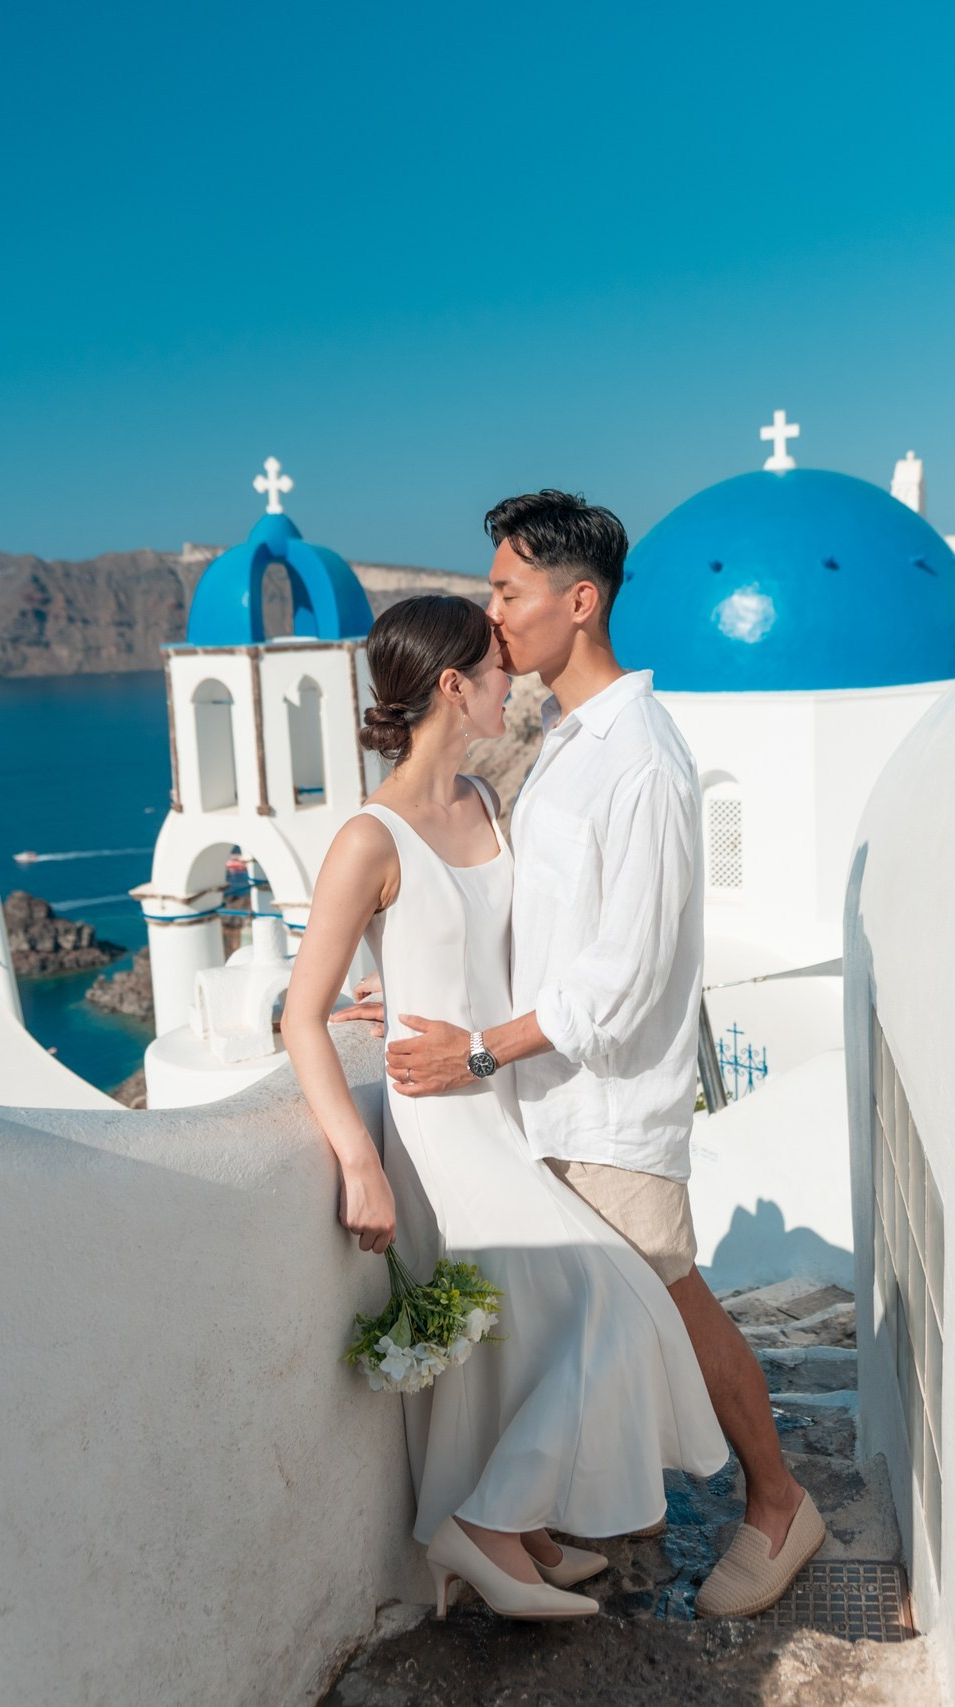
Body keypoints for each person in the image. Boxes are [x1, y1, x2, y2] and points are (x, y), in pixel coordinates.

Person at [380, 491, 827, 1620]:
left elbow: (621, 977)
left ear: (578, 604)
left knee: (665, 1303)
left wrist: (477, 1052)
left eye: (509, 592)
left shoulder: (641, 762)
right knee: (594, 1315)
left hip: (607, 1103)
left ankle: (777, 1504)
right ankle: (547, 1528)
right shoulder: (567, 743)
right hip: (543, 1096)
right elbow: (534, 927)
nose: (494, 616)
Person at [281, 593, 726, 1622]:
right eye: (491, 669)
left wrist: (415, 989)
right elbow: (301, 1017)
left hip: (504, 1100)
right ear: (450, 685)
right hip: (439, 1132)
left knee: (535, 1335)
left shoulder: (485, 799)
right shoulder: (366, 839)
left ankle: (515, 1530)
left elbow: (492, 945)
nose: (510, 683)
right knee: (618, 1305)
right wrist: (357, 1160)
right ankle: (482, 1529)